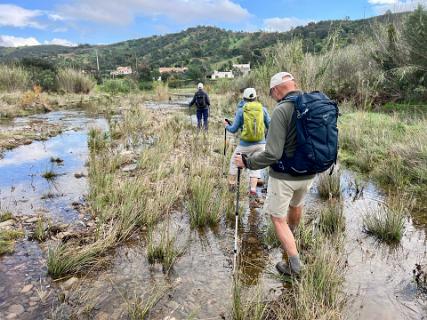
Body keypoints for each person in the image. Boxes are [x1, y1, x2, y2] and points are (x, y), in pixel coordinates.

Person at [234, 72, 315, 276]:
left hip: (285, 175)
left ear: (276, 89)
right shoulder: (312, 104)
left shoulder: (282, 109)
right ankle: (292, 236)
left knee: (277, 218)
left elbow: (272, 153)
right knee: (296, 205)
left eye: (272, 94)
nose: (273, 98)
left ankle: (294, 265)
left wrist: (248, 162)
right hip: (310, 171)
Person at [224, 88, 271, 202]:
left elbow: (234, 129)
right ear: (256, 97)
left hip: (245, 145)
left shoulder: (241, 111)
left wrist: (226, 126)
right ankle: (253, 191)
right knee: (255, 166)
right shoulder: (262, 109)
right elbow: (270, 125)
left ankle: (231, 189)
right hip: (261, 144)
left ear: (243, 98)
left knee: (234, 162)